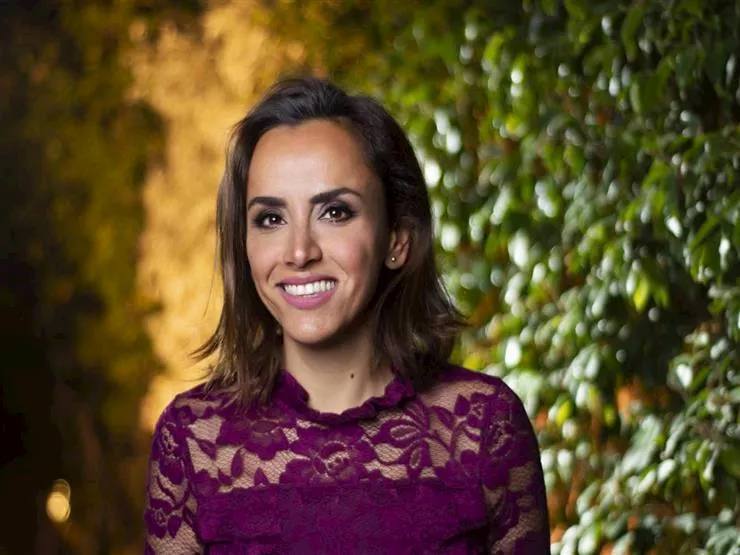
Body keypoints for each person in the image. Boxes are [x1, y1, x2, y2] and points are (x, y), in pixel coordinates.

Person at [144, 77, 550, 554]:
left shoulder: (484, 429)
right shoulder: (192, 441)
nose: (299, 252)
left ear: (397, 237)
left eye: (334, 212)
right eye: (271, 219)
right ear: (244, 244)